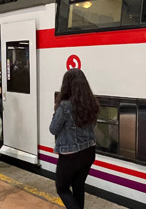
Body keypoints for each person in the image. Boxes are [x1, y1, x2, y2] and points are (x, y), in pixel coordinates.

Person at [49, 68, 99, 209]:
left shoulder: (65, 105)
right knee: (78, 186)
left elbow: (53, 129)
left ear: (66, 85)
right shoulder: (91, 102)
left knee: (62, 188)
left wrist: (55, 111)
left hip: (71, 155)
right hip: (89, 152)